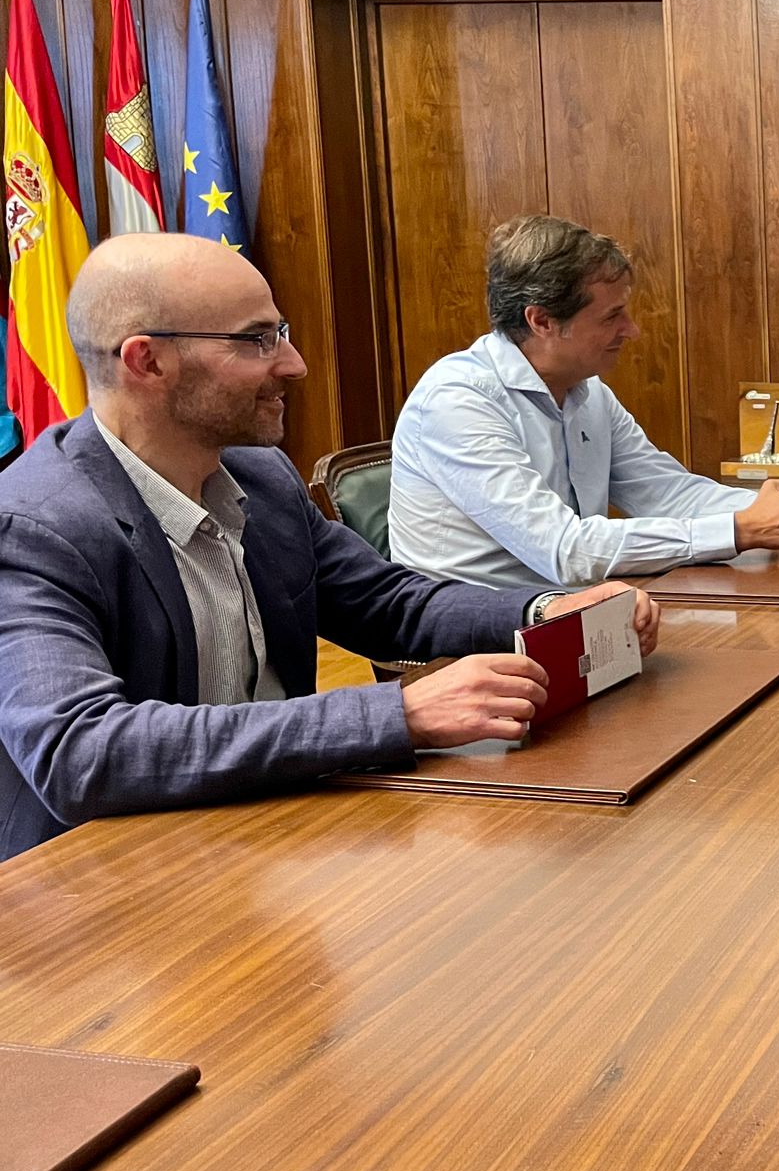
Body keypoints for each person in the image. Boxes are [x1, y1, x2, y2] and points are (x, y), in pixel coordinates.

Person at [0, 234, 659, 862]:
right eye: (257, 341)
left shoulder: (262, 477)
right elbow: (78, 753)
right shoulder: (33, 527)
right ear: (148, 361)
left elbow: (388, 604)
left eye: (279, 334)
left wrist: (546, 610)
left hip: (274, 836)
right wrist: (395, 713)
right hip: (111, 895)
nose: (293, 363)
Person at [389, 215, 779, 589]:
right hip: (472, 647)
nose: (632, 331)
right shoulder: (458, 401)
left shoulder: (588, 393)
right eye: (612, 316)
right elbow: (566, 551)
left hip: (578, 610)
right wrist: (743, 529)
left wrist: (776, 511)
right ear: (543, 320)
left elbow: (666, 493)